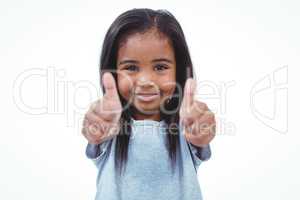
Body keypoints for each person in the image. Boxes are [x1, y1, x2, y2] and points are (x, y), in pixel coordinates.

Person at [82, 8, 216, 200]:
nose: (145, 80)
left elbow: (201, 140)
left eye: (160, 67)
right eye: (131, 67)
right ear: (112, 73)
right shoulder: (110, 129)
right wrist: (94, 132)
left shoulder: (185, 128)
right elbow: (94, 138)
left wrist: (202, 131)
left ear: (178, 72)